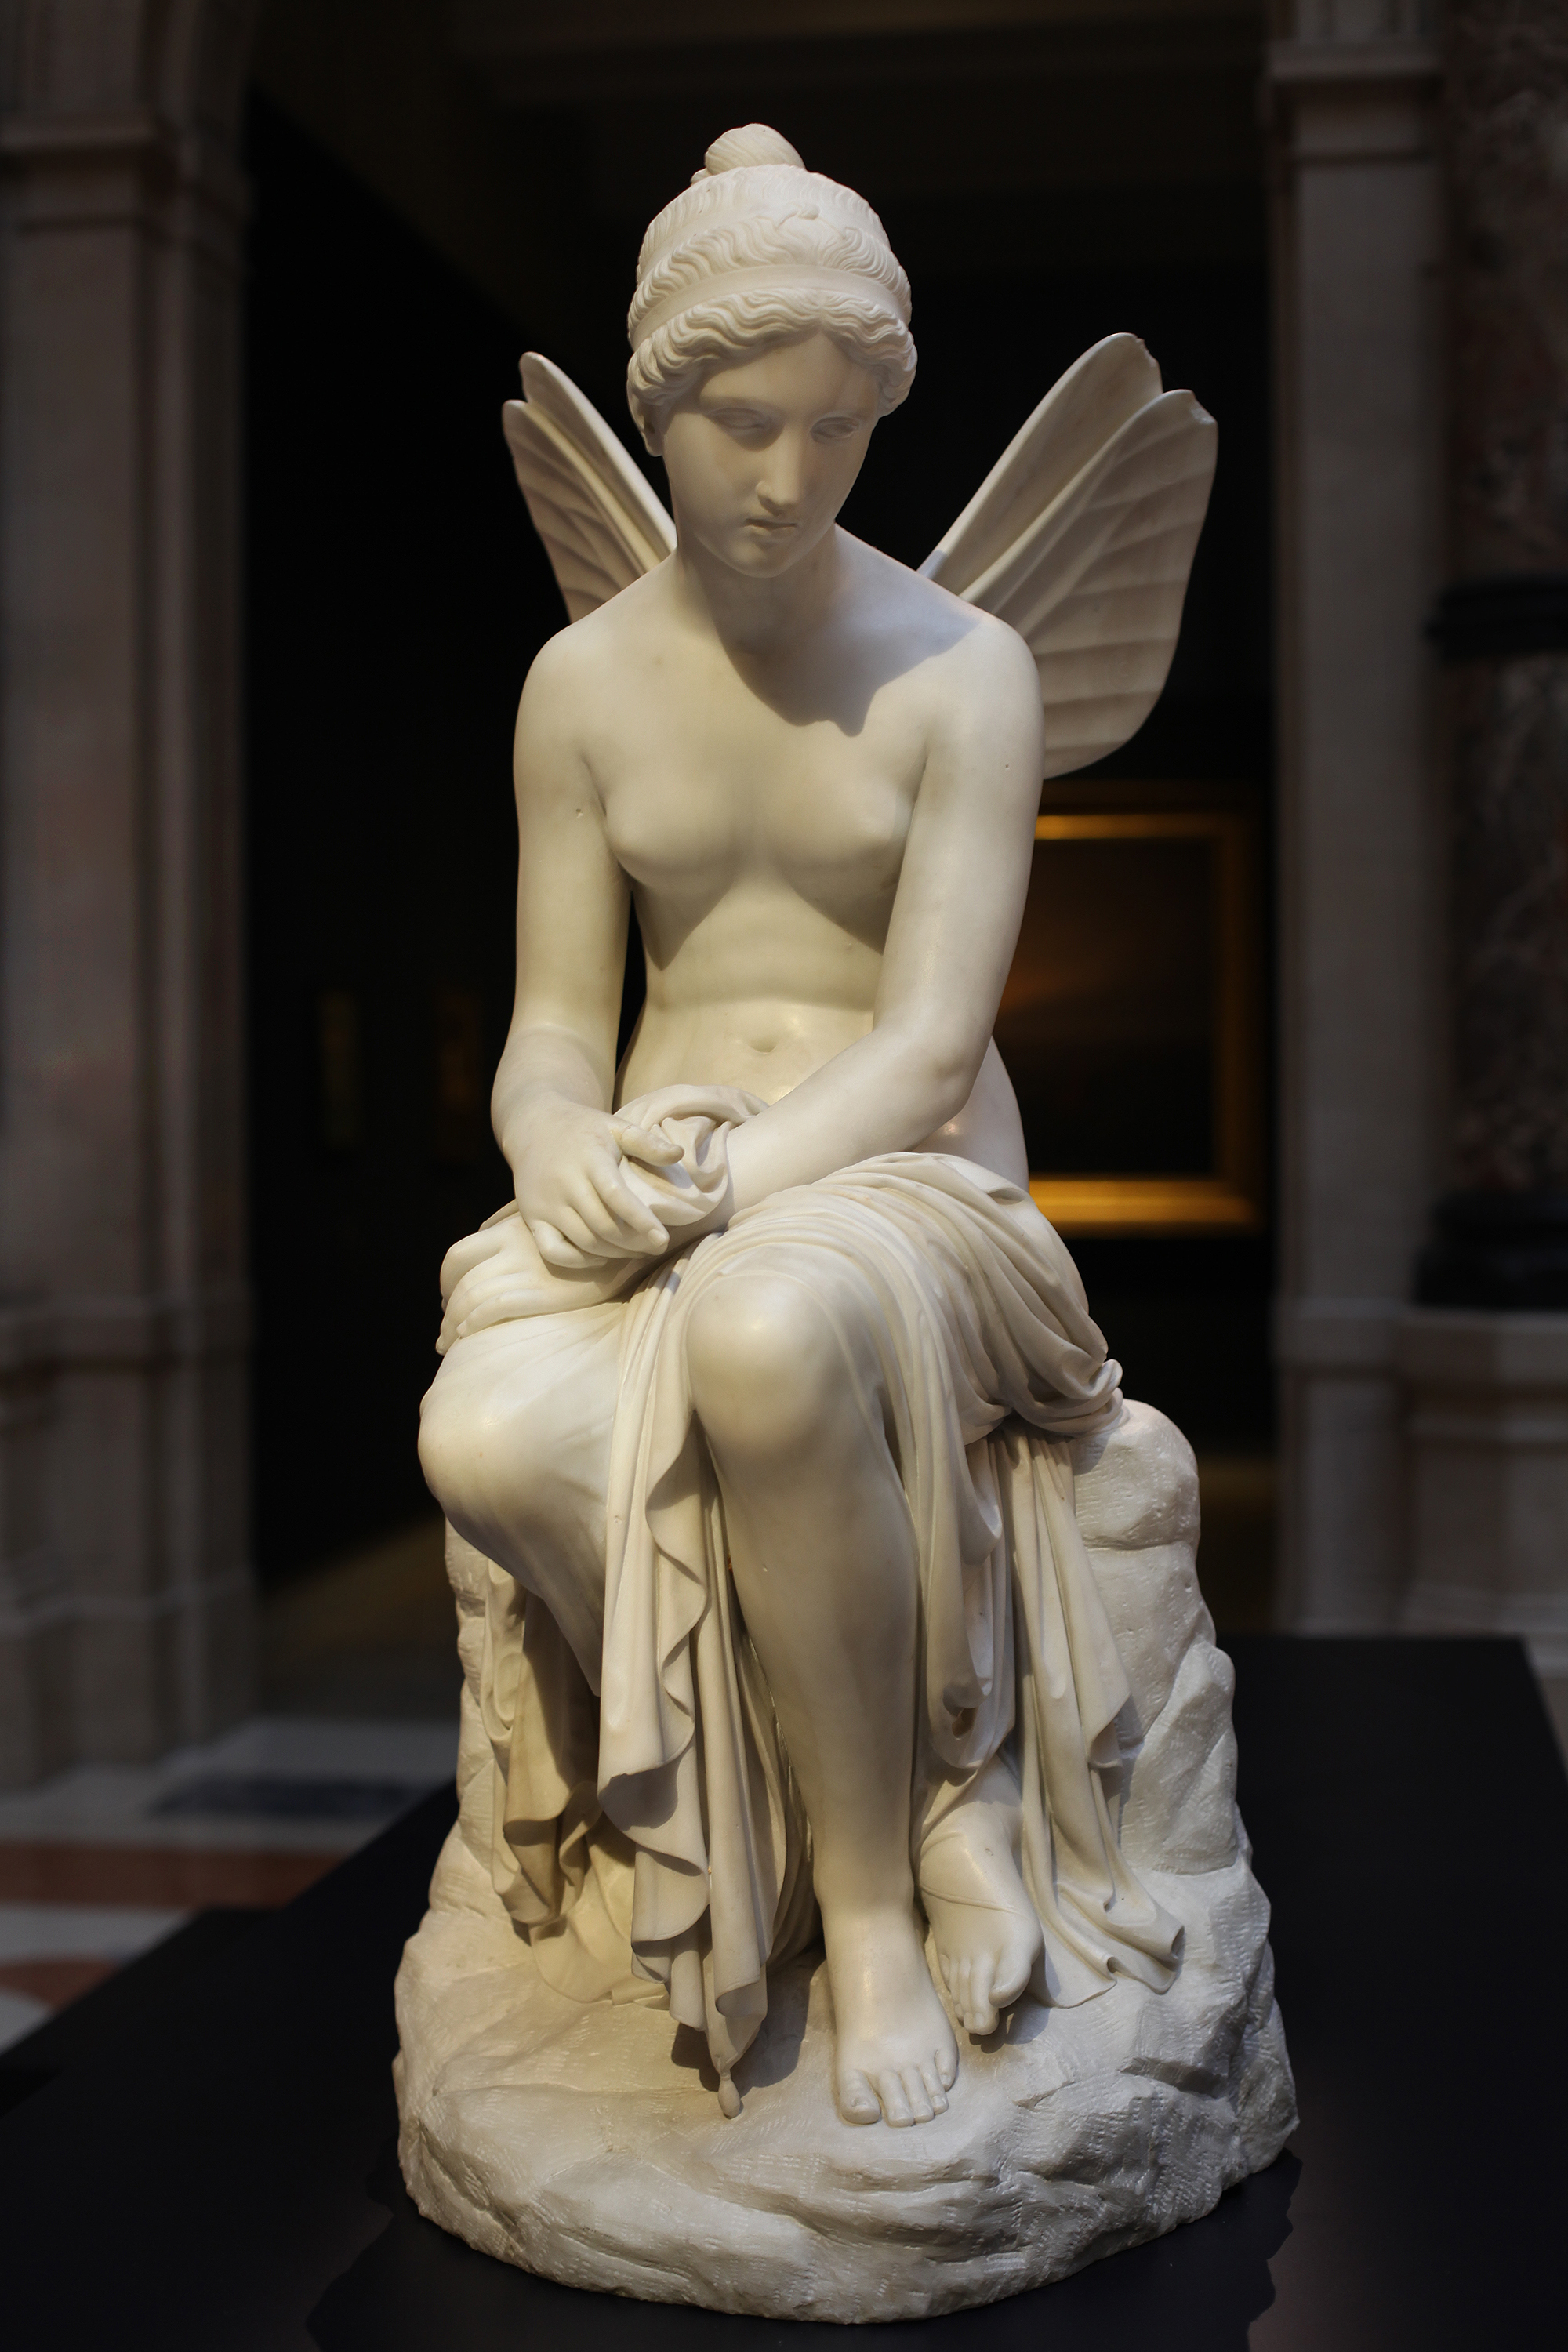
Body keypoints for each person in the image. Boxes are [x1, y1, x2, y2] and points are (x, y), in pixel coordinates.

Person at [418, 124, 1180, 2130]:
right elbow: (552, 1030)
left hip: (902, 1182)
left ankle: (877, 1890)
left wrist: (731, 1195)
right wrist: (559, 1152)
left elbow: (928, 1046)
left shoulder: (966, 672)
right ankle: (780, 1783)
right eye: (743, 424)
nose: (786, 476)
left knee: (759, 1337)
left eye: (836, 429)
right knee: (477, 1433)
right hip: (664, 1173)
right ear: (659, 408)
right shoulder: (579, 687)